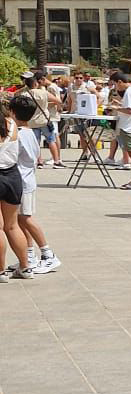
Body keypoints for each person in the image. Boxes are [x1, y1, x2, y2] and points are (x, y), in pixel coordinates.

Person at [6, 92, 58, 275]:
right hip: (25, 179)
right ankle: (29, 255)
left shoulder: (18, 134)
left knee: (25, 218)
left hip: (22, 180)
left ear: (12, 112)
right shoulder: (28, 132)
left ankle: (48, 253)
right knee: (20, 220)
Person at [0, 97, 33, 280]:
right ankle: (25, 266)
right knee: (12, 226)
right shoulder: (11, 124)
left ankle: (1, 270)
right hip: (12, 176)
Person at [108, 71, 131, 190]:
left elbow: (129, 110)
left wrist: (115, 107)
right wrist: (119, 104)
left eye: (115, 84)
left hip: (129, 126)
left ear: (120, 82)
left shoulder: (129, 91)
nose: (115, 88)